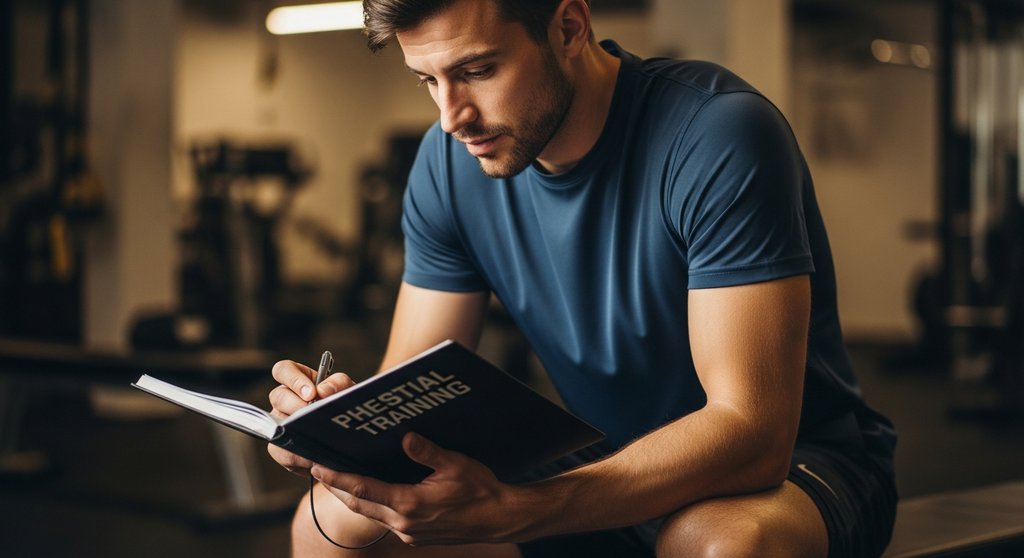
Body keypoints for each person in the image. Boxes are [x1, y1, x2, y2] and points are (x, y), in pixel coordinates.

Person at [267, 0, 898, 556]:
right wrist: (341, 431)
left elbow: (751, 433)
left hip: (791, 470)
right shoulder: (446, 161)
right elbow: (413, 388)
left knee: (716, 546)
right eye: (427, 80)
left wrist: (528, 509)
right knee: (332, 522)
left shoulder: (717, 133)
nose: (453, 114)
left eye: (478, 71)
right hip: (596, 464)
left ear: (569, 26)